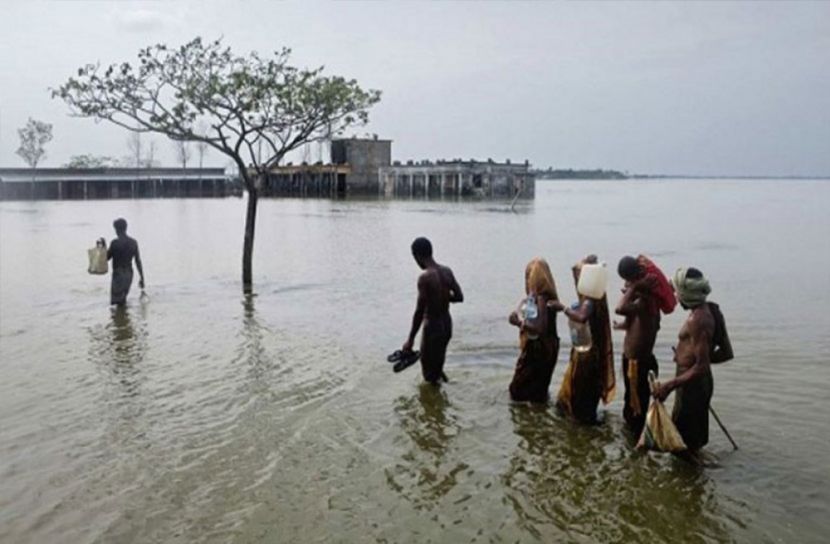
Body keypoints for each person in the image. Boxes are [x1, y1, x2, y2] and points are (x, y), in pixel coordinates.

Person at [652, 267, 733, 452]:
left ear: (688, 294)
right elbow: (726, 353)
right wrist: (688, 356)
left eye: (679, 293)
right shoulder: (713, 310)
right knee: (692, 439)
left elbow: (702, 366)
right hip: (699, 383)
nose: (677, 298)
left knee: (683, 444)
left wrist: (670, 385)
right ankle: (697, 477)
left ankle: (692, 477)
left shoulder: (697, 320)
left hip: (692, 387)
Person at [551, 255, 615, 423]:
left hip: (587, 356)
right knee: (581, 395)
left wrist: (562, 308)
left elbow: (581, 317)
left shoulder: (589, 300)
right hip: (591, 353)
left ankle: (582, 426)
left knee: (580, 399)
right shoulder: (598, 297)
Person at [402, 237, 463, 384]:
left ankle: (435, 403)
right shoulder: (447, 271)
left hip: (433, 328)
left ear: (417, 256)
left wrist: (410, 340)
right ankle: (445, 392)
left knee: (428, 376)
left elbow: (419, 311)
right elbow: (459, 297)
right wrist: (444, 297)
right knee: (438, 365)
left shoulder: (425, 278)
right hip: (447, 325)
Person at [614, 255, 663, 437]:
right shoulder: (640, 302)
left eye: (628, 283)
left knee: (636, 407)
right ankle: (633, 436)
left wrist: (632, 289)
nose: (625, 288)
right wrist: (621, 325)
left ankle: (636, 439)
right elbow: (629, 321)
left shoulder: (645, 301)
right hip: (634, 361)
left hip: (639, 363)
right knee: (632, 402)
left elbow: (619, 308)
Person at [507, 258, 561, 403]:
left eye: (528, 276)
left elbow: (540, 329)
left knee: (517, 392)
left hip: (538, 350)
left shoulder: (541, 298)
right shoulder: (548, 298)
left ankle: (529, 422)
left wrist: (518, 323)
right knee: (539, 392)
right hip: (549, 348)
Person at [103, 218, 145, 306]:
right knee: (123, 299)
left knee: (116, 302)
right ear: (126, 228)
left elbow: (106, 258)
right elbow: (138, 261)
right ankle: (124, 317)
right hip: (129, 274)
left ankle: (120, 318)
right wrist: (142, 278)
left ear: (116, 229)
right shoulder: (133, 242)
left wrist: (103, 247)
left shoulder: (115, 243)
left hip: (118, 274)